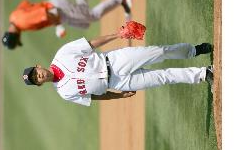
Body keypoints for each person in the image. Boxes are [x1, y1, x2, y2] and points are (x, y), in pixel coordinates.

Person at [22, 27, 214, 106]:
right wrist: (119, 95)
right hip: (119, 82)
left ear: (38, 67)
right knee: (163, 77)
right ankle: (205, 73)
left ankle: (192, 51)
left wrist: (117, 34)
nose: (38, 76)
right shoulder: (64, 93)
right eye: (35, 79)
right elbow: (95, 96)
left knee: (159, 52)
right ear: (39, 84)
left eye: (35, 73)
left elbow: (90, 44)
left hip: (115, 60)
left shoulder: (63, 54)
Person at [2, 0, 132, 49]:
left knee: (92, 16)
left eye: (18, 39)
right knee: (85, 24)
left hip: (58, 10)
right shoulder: (13, 16)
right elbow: (28, 4)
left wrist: (58, 25)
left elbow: (46, 13)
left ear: (16, 37)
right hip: (57, 10)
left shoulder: (23, 23)